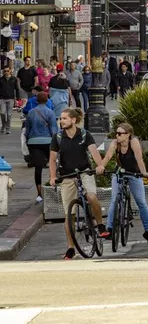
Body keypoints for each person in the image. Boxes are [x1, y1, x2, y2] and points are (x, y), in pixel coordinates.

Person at [48, 108, 107, 259]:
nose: (62, 121)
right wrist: (53, 177)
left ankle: (100, 224)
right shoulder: (58, 137)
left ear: (74, 120)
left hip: (84, 172)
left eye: (65, 118)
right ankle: (70, 247)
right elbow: (52, 159)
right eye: (61, 119)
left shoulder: (85, 134)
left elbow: (94, 153)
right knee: (69, 215)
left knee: (92, 197)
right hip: (67, 176)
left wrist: (100, 166)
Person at [99, 123, 148, 246]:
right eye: (116, 133)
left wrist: (143, 172)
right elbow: (108, 155)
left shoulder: (133, 142)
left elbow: (139, 159)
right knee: (114, 199)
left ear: (128, 135)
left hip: (134, 174)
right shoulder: (115, 143)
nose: (117, 136)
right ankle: (109, 228)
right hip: (120, 173)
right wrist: (101, 166)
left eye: (120, 133)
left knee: (141, 201)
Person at [25, 91, 59, 203]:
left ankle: (39, 193)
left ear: (36, 100)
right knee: (53, 165)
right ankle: (52, 187)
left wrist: (28, 141)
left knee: (38, 168)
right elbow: (54, 131)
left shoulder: (30, 112)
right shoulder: (50, 113)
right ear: (47, 100)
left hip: (33, 142)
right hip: (48, 142)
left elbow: (27, 130)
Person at [0, 66, 19, 134]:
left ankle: (7, 128)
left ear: (10, 71)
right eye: (4, 71)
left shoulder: (14, 79)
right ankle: (3, 125)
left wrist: (17, 99)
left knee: (9, 114)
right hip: (2, 98)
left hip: (11, 98)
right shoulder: (1, 79)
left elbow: (17, 89)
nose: (6, 72)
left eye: (7, 71)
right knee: (2, 113)